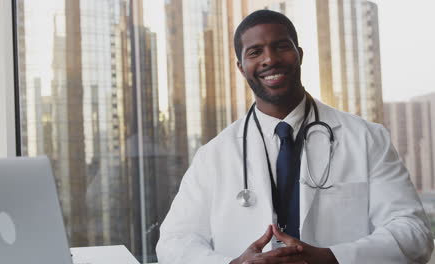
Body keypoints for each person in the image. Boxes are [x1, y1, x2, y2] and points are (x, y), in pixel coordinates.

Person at [156, 9, 433, 264]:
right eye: (255, 52)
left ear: (299, 53)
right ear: (241, 67)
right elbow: (173, 242)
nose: (270, 59)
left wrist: (331, 257)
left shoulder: (367, 138)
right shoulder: (213, 155)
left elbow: (414, 232)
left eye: (281, 46)